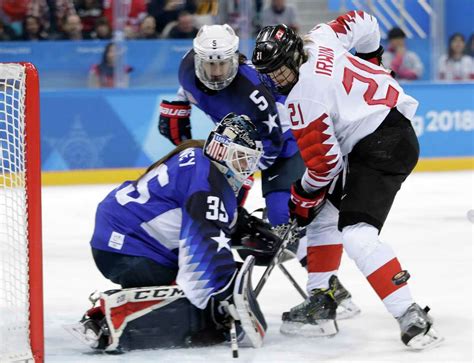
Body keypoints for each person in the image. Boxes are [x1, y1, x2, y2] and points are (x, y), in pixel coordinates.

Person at [252, 11, 443, 350]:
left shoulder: (302, 98)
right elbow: (365, 21)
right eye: (270, 73)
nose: (277, 79)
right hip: (387, 129)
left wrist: (300, 197)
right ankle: (321, 300)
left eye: (280, 69)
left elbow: (324, 168)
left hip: (380, 145)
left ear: (294, 56)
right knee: (325, 216)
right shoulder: (321, 37)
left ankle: (410, 314)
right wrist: (372, 59)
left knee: (356, 233)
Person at [158, 23, 360, 319]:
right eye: (209, 65)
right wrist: (178, 106)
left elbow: (274, 144)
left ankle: (330, 293)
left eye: (223, 65)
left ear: (234, 58)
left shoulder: (254, 90)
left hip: (284, 144)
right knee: (214, 217)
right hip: (238, 149)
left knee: (283, 221)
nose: (215, 74)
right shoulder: (187, 67)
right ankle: (200, 285)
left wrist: (238, 176)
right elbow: (185, 92)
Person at [70, 113, 267, 351]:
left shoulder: (196, 156)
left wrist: (238, 225)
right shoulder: (209, 183)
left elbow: (192, 216)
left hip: (119, 236)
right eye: (241, 159)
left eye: (249, 162)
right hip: (127, 248)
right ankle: (104, 321)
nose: (245, 168)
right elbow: (202, 252)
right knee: (199, 309)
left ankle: (108, 315)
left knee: (201, 292)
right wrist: (224, 291)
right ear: (222, 149)